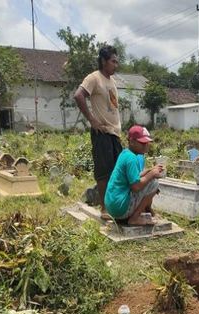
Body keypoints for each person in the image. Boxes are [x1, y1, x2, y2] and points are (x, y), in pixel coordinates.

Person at [74, 45, 122, 220]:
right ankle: (104, 208)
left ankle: (115, 206)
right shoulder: (94, 78)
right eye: (113, 61)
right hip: (102, 132)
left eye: (117, 62)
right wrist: (92, 120)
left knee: (117, 171)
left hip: (114, 133)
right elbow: (78, 95)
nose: (116, 65)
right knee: (104, 172)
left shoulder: (112, 81)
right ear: (103, 61)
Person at [104, 125, 164, 226]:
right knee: (153, 183)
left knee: (149, 179)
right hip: (120, 209)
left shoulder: (125, 154)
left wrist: (150, 170)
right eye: (142, 143)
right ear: (132, 141)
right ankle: (134, 218)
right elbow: (136, 187)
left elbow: (133, 177)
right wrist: (152, 174)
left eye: (147, 142)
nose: (146, 145)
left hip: (112, 207)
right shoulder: (132, 159)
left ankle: (140, 212)